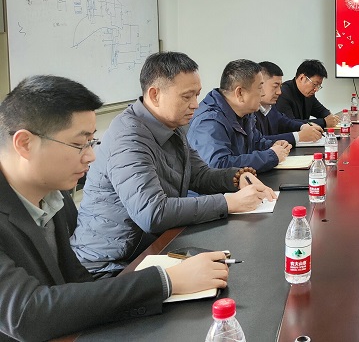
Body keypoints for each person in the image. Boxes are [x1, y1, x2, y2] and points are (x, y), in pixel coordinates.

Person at [0, 75, 230, 341]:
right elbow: (26, 313)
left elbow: (77, 281)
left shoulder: (53, 194)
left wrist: (170, 283)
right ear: (25, 143)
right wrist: (166, 281)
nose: (91, 156)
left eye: (91, 142)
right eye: (78, 144)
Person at [71, 52, 276, 275]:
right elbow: (153, 213)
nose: (195, 105)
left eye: (197, 95)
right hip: (112, 266)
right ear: (155, 95)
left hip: (151, 246)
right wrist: (228, 202)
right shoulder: (128, 138)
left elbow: (199, 175)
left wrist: (237, 178)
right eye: (187, 97)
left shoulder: (172, 126)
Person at [187, 59, 292, 172]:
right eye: (259, 88)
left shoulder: (245, 113)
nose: (263, 93)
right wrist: (271, 156)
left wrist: (272, 145)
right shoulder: (209, 121)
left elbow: (256, 142)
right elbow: (217, 166)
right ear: (240, 93)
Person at [255, 61, 323, 146]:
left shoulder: (270, 107)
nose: (279, 92)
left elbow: (284, 122)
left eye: (280, 87)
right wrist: (298, 136)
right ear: (259, 85)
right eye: (275, 86)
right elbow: (258, 141)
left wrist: (303, 126)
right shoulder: (249, 111)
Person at [275, 59, 340, 128]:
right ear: (302, 78)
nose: (316, 89)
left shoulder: (308, 94)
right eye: (315, 84)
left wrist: (332, 118)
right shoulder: (283, 93)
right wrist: (324, 122)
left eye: (319, 86)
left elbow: (321, 111)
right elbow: (289, 124)